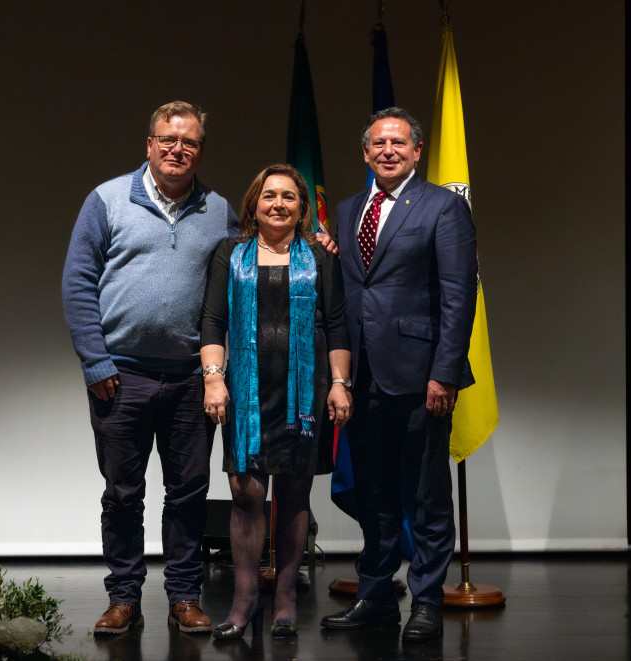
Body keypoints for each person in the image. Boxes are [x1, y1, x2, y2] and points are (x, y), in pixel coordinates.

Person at [61, 100, 239, 636]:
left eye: (187, 142)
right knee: (122, 494)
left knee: (188, 495)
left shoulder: (219, 210)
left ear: (200, 151)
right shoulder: (107, 200)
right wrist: (95, 362)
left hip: (191, 378)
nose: (176, 149)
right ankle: (123, 599)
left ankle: (185, 596)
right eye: (167, 139)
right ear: (149, 144)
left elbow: (246, 275)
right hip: (121, 376)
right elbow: (76, 285)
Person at [320, 108, 477, 642]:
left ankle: (427, 601)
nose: (388, 151)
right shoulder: (346, 211)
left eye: (399, 143)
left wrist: (446, 373)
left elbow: (459, 295)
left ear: (417, 151)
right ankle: (377, 596)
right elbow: (353, 287)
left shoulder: (443, 206)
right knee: (374, 494)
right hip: (361, 377)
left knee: (427, 496)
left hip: (421, 377)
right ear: (365, 153)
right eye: (378, 144)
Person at [200, 164, 352, 639]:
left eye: (289, 196)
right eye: (269, 196)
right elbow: (212, 320)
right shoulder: (230, 253)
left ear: (302, 208)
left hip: (303, 392)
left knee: (293, 494)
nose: (278, 204)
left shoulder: (320, 259)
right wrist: (214, 380)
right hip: (245, 392)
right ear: (254, 204)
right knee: (246, 494)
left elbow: (340, 324)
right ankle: (244, 600)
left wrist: (340, 382)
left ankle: (285, 598)